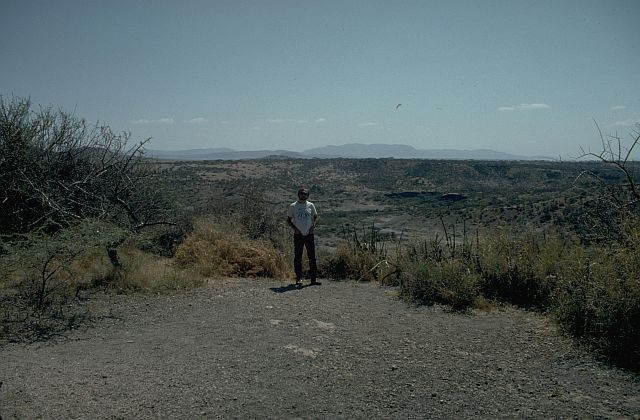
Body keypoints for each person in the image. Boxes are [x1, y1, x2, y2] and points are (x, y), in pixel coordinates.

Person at [287, 188, 320, 286]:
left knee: (312, 257)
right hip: (298, 235)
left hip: (309, 234)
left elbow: (315, 217)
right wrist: (295, 229)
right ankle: (298, 279)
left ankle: (313, 279)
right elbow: (288, 219)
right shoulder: (293, 206)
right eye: (302, 194)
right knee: (298, 257)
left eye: (305, 194)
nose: (303, 195)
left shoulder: (311, 205)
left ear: (308, 196)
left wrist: (312, 227)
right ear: (298, 195)